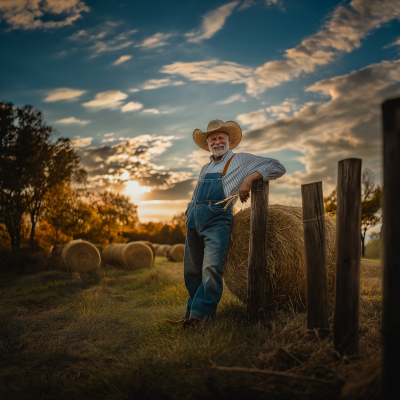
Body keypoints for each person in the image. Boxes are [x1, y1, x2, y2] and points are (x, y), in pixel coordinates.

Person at [165, 119, 286, 328]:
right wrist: (189, 211)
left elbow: (277, 166)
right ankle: (191, 315)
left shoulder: (241, 160)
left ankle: (202, 318)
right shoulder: (205, 167)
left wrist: (249, 179)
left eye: (221, 137)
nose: (217, 141)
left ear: (229, 140)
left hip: (217, 221)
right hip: (193, 220)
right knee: (192, 271)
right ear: (208, 143)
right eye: (213, 139)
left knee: (211, 268)